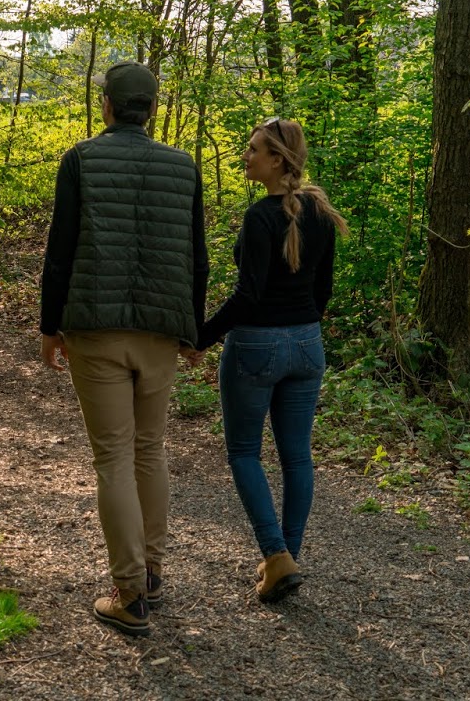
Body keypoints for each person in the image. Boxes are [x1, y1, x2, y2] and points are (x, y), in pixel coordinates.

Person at [39, 61, 208, 639]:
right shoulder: (183, 166)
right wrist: (195, 333)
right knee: (150, 449)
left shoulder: (80, 159)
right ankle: (152, 573)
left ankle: (129, 592)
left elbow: (60, 248)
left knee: (112, 457)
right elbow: (196, 254)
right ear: (152, 109)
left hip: (96, 328)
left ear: (106, 104)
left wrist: (48, 326)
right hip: (162, 332)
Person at [200, 117, 347, 603]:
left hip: (257, 345)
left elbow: (248, 295)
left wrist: (200, 337)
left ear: (278, 159)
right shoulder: (321, 212)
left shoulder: (261, 217)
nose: (246, 157)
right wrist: (301, 326)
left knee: (244, 451)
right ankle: (286, 559)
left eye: (254, 149)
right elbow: (323, 290)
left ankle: (276, 554)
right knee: (296, 454)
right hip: (307, 344)